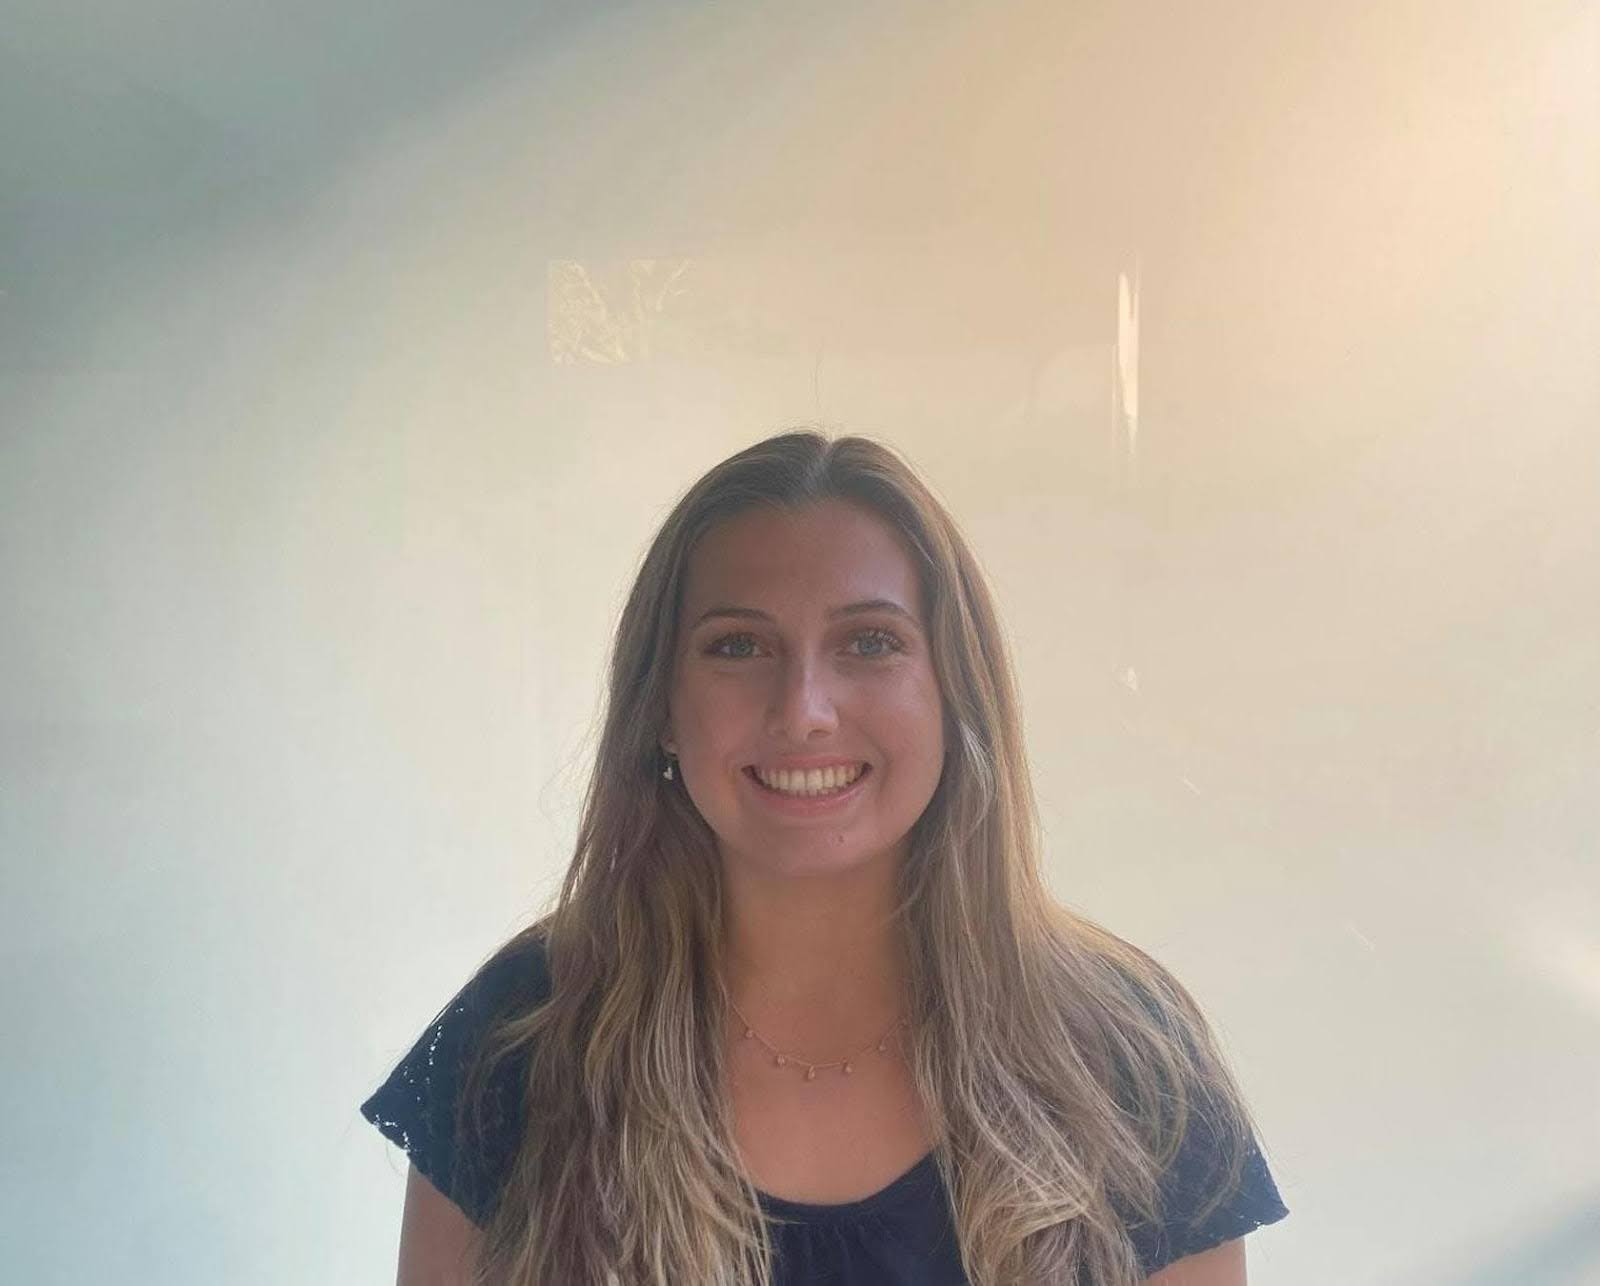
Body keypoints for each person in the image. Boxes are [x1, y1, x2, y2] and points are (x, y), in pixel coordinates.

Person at [359, 430, 1290, 1285]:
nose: (803, 706)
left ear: (953, 693)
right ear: (661, 709)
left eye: (870, 642)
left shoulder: (1131, 1055)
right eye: (738, 645)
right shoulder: (521, 1033)